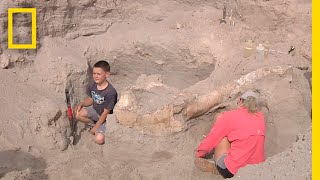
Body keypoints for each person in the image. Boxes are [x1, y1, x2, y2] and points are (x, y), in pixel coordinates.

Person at [195, 90, 265, 178]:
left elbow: (213, 138)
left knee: (221, 133)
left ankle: (215, 162)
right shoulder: (261, 117)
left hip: (232, 170)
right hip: (257, 168)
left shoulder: (229, 116)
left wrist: (200, 153)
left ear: (240, 101)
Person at [75, 60, 118, 145]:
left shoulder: (110, 92)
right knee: (77, 113)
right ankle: (93, 124)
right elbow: (91, 99)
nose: (95, 76)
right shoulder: (93, 85)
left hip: (105, 118)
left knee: (99, 140)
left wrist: (96, 128)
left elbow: (105, 114)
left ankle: (99, 128)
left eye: (99, 74)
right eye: (94, 73)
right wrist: (82, 104)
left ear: (107, 74)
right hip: (95, 110)